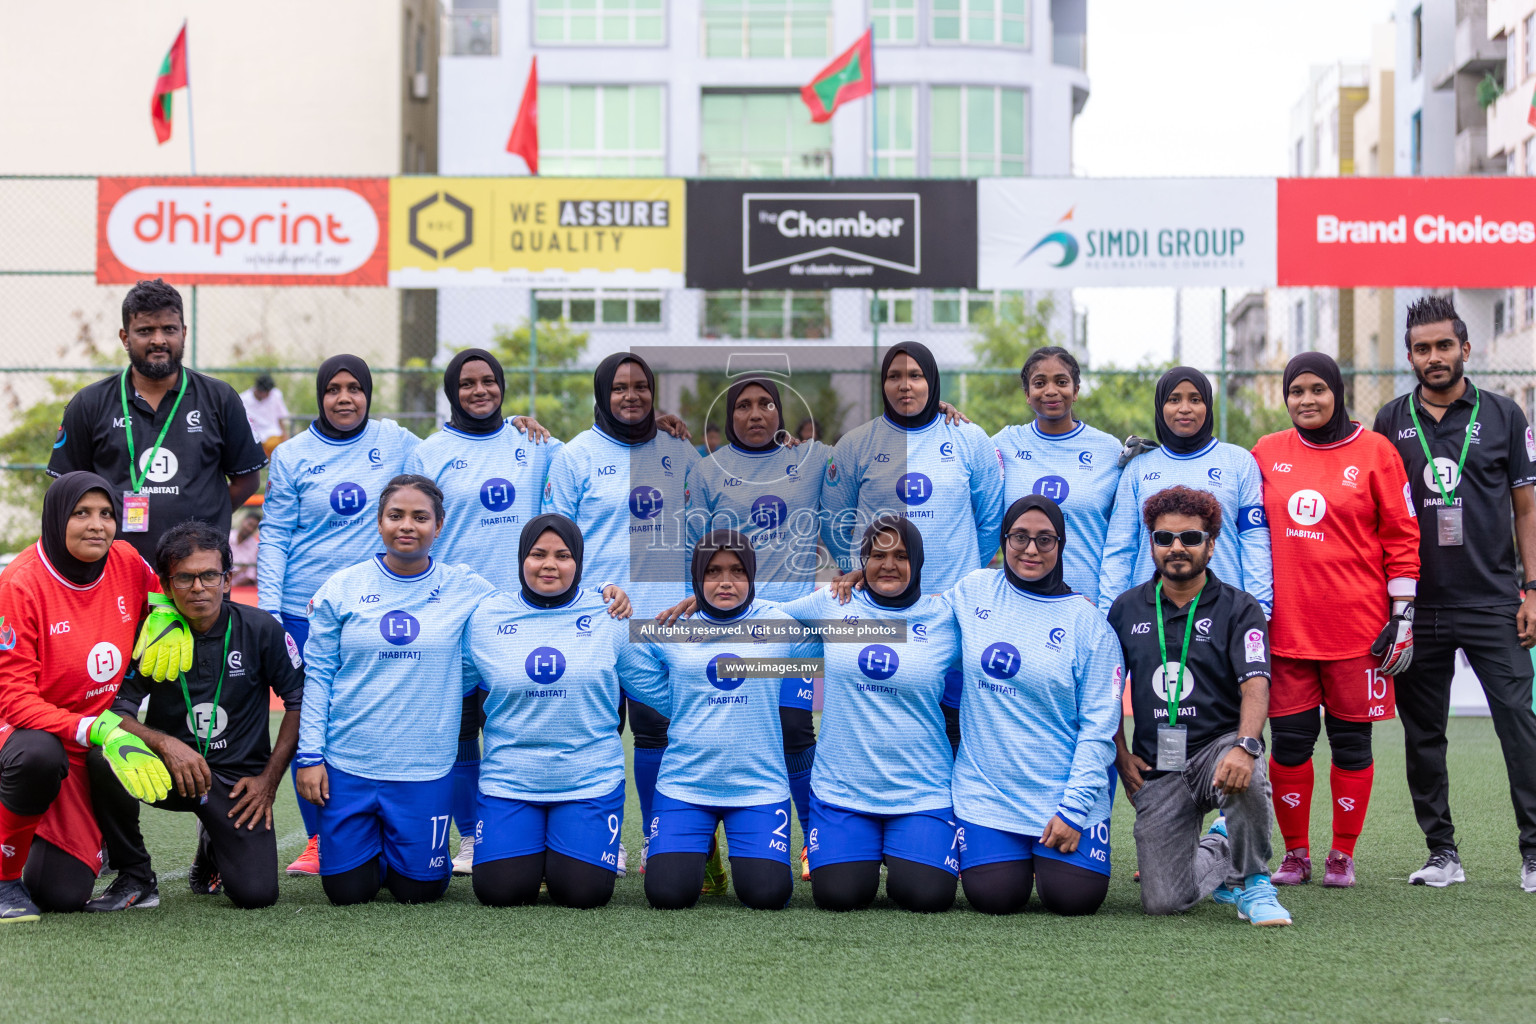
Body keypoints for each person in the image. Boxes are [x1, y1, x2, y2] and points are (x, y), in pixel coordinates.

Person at [1373, 295, 1536, 892]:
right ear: (1410, 355)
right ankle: (1442, 853)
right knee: (1423, 734)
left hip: (1495, 600)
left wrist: (1533, 589)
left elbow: (1526, 507)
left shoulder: (1502, 416)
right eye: (1422, 348)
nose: (1434, 357)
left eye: (1445, 345)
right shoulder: (1390, 421)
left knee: (1519, 723)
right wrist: (1391, 605)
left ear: (1466, 348)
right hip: (1419, 605)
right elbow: (1380, 517)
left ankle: (1534, 853)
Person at [1254, 353, 1419, 889]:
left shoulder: (1376, 452)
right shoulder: (1267, 452)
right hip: (1288, 633)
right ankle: (1296, 854)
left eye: (1317, 389)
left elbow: (1402, 537)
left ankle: (1342, 855)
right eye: (1296, 390)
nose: (1306, 400)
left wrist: (1403, 613)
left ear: (1338, 392)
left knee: (1352, 746)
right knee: (1290, 745)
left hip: (1359, 634)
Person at [294, 475, 494, 906]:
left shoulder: (468, 588)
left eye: (420, 517)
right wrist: (310, 756)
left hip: (423, 767)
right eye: (396, 515)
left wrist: (600, 597)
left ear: (439, 526)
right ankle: (374, 848)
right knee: (348, 892)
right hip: (349, 763)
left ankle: (396, 850)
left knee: (420, 891)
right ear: (379, 523)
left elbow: (528, 612)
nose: (408, 525)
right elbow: (319, 678)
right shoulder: (342, 587)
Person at [257, 355, 421, 876]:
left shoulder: (395, 441)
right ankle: (317, 838)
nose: (344, 398)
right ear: (320, 395)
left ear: (369, 394)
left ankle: (383, 827)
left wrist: (512, 426)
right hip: (305, 609)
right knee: (312, 720)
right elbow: (276, 534)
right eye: (333, 389)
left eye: (354, 388)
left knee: (376, 713)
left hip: (381, 606)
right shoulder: (292, 456)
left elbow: (455, 449)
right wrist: (268, 613)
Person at [87, 520, 304, 911]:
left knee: (256, 895)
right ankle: (135, 872)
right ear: (166, 585)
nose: (198, 587)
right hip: (171, 769)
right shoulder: (149, 634)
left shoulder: (260, 629)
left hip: (238, 783)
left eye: (208, 575)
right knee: (102, 756)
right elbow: (114, 709)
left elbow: (298, 701)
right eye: (184, 578)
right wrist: (165, 743)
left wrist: (268, 782)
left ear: (227, 579)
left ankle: (212, 844)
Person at [543, 353, 701, 880]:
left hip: (664, 620)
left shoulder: (679, 449)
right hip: (596, 621)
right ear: (601, 394)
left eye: (640, 387)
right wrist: (586, 598)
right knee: (596, 733)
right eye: (619, 388)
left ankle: (659, 841)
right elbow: (554, 544)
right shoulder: (575, 456)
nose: (630, 396)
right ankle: (598, 844)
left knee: (660, 732)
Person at [1107, 485, 1292, 925]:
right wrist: (1120, 753)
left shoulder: (1240, 608)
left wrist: (1246, 746)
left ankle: (1253, 882)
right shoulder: (1125, 610)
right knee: (1164, 903)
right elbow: (1105, 692)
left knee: (1247, 768)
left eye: (1190, 538)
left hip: (1217, 747)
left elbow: (1256, 686)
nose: (1176, 548)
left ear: (1211, 545)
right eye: (1164, 538)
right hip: (1158, 766)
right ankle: (1222, 847)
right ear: (1150, 543)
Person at [404, 348, 557, 876]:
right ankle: (470, 837)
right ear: (452, 391)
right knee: (464, 727)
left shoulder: (533, 442)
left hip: (525, 610)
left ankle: (539, 830)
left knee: (521, 720)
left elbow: (593, 455)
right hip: (453, 611)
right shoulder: (431, 452)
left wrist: (664, 426)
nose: (480, 390)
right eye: (467, 383)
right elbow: (412, 525)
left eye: (489, 381)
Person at [462, 515, 657, 909]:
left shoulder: (610, 615)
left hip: (588, 779)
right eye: (538, 554)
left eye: (563, 555)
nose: (549, 564)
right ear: (521, 558)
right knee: (501, 893)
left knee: (584, 894)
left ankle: (567, 848)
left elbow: (657, 691)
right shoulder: (485, 618)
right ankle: (535, 850)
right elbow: (446, 681)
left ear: (579, 562)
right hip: (509, 780)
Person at [684, 375, 836, 876]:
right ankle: (701, 853)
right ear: (729, 416)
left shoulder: (811, 459)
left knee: (794, 727)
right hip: (725, 626)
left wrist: (936, 411)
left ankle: (814, 838)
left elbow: (861, 459)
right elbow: (693, 546)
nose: (755, 414)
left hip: (789, 624)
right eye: (744, 406)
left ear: (780, 411)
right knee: (715, 724)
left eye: (766, 404)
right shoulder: (707, 472)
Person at [0, 473, 169, 922]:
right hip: (28, 734)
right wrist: (91, 726)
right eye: (82, 513)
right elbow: (15, 701)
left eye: (107, 514)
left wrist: (166, 619)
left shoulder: (126, 559)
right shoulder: (20, 583)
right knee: (36, 756)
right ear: (57, 518)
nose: (97, 525)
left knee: (63, 895)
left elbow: (162, 595)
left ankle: (41, 829)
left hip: (89, 740)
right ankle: (3, 881)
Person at [945, 495, 1123, 916]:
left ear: (1061, 546)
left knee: (1074, 900)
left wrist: (1074, 810)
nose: (1030, 549)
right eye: (1019, 537)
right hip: (988, 794)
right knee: (994, 897)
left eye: (1045, 540)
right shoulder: (973, 591)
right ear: (1004, 539)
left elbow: (1099, 729)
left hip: (1061, 797)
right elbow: (917, 617)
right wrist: (866, 578)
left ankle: (1064, 839)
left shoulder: (1089, 623)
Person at [780, 517, 962, 913]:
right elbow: (761, 617)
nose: (889, 565)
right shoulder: (834, 602)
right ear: (862, 561)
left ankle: (907, 856)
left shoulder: (946, 617)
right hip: (843, 792)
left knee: (927, 897)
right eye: (877, 556)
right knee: (839, 896)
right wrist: (704, 606)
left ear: (918, 560)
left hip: (920, 791)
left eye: (900, 556)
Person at [638, 531, 818, 911]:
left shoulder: (777, 624)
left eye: (738, 571)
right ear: (696, 577)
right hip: (684, 786)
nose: (725, 581)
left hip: (758, 788)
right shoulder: (672, 628)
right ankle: (705, 856)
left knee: (767, 896)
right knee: (667, 895)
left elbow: (841, 625)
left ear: (752, 577)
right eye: (713, 571)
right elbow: (625, 649)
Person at [47, 279, 268, 562]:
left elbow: (247, 480)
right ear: (125, 337)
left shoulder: (220, 398)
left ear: (184, 333)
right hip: (111, 570)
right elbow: (67, 490)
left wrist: (207, 518)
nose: (159, 340)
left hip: (197, 572)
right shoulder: (90, 403)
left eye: (169, 329)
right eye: (145, 330)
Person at [824, 341, 1005, 592]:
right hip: (878, 599)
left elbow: (992, 521)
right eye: (893, 376)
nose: (904, 385)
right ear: (883, 384)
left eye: (915, 376)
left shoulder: (970, 439)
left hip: (953, 596)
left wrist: (964, 574)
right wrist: (863, 571)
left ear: (931, 380)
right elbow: (834, 523)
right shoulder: (855, 445)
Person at [1099, 367, 1272, 617]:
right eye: (1174, 399)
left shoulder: (1239, 462)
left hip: (1223, 613)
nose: (1184, 408)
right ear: (1161, 406)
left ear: (1208, 405)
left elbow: (1254, 541)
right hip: (1150, 614)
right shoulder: (1138, 468)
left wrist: (1260, 609)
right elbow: (1120, 547)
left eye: (1195, 399)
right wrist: (1110, 613)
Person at [992, 346, 1128, 608]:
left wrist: (1108, 604)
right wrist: (940, 412)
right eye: (1039, 383)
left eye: (1061, 382)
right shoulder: (1005, 443)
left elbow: (1120, 540)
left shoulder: (1108, 449)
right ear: (1027, 395)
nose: (1051, 391)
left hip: (1087, 602)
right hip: (1019, 601)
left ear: (1076, 391)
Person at [241, 373, 290, 458]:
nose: (267, 395)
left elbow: (280, 417)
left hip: (273, 434)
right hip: (254, 436)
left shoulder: (275, 395)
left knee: (276, 448)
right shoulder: (244, 399)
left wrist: (285, 434)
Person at [229, 511, 260, 587]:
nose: (250, 529)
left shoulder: (255, 547)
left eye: (254, 527)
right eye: (250, 524)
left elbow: (251, 576)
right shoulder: (227, 537)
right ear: (243, 521)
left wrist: (233, 587)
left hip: (241, 589)